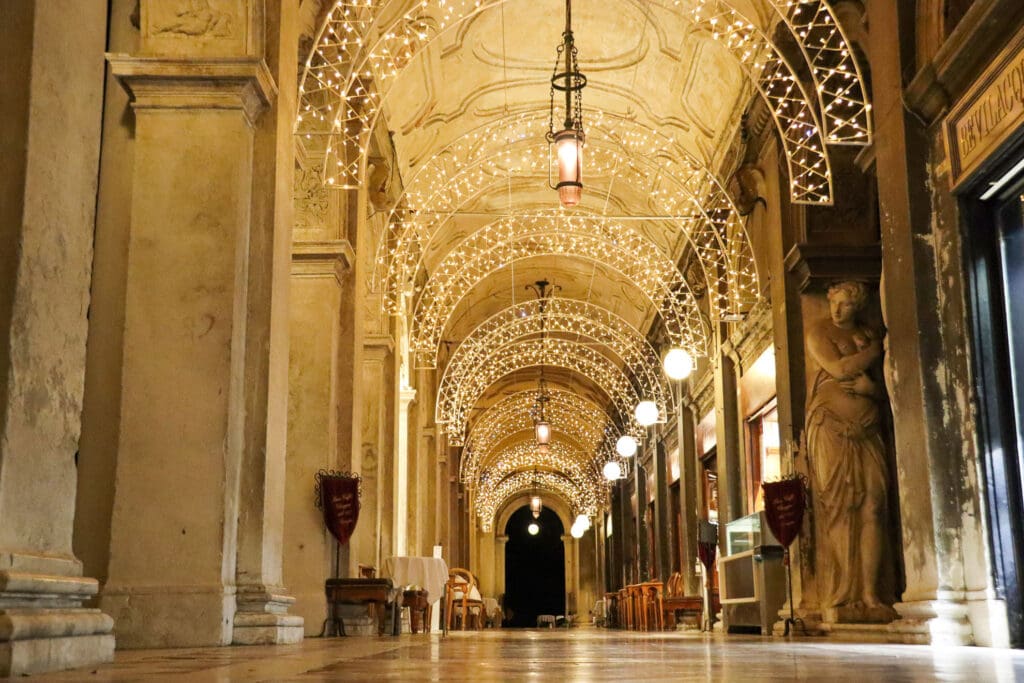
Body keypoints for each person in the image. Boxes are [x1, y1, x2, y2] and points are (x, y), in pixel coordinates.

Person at [806, 281, 891, 612]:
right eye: (834, 303)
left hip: (869, 429)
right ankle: (844, 588)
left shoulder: (867, 332)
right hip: (830, 428)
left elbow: (891, 385)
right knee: (839, 508)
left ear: (859, 307)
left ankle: (870, 592)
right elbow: (840, 368)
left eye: (846, 305)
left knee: (874, 506)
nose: (837, 310)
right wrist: (875, 349)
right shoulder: (820, 333)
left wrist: (872, 390)